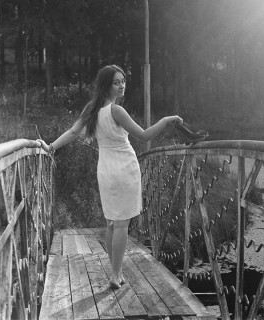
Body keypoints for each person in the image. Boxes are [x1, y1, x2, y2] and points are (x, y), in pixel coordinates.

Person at [36, 64, 182, 289]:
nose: (122, 85)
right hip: (124, 168)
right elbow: (144, 136)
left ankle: (116, 272)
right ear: (106, 85)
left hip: (105, 169)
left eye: (123, 81)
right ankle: (115, 274)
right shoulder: (116, 111)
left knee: (112, 223)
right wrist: (165, 120)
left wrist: (50, 147)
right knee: (121, 224)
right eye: (116, 82)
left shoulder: (92, 108)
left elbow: (73, 132)